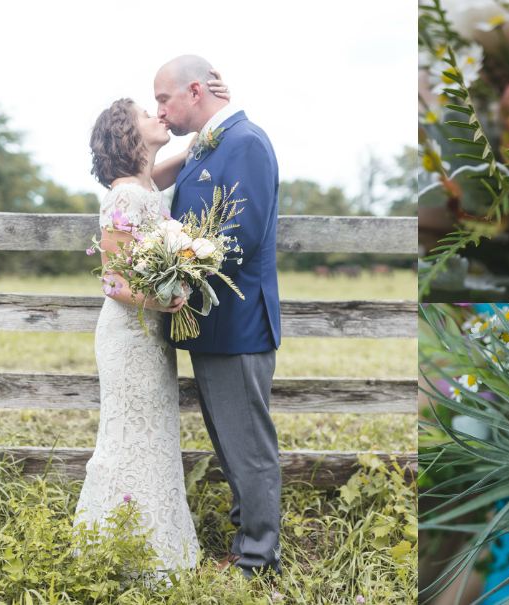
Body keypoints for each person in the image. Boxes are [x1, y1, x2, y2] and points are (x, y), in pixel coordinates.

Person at [75, 73, 230, 578]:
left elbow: (177, 166)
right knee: (128, 439)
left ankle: (154, 548)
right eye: (148, 113)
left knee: (154, 437)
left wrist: (216, 115)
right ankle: (121, 554)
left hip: (149, 339)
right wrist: (167, 301)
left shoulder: (143, 185)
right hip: (129, 338)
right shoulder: (123, 196)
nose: (158, 115)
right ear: (129, 134)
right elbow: (115, 283)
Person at [155, 54, 283, 582]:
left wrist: (174, 266)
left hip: (237, 326)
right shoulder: (210, 143)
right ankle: (244, 542)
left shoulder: (246, 143)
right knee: (231, 444)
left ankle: (259, 560)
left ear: (193, 91)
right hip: (211, 326)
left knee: (249, 447)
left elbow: (240, 235)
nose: (160, 112)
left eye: (164, 99)